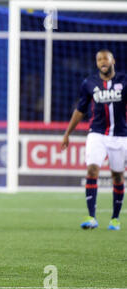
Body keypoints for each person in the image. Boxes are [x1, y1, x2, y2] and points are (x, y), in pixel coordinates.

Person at [61, 49, 126, 231]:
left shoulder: (124, 81)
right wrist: (67, 133)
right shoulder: (89, 83)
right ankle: (91, 217)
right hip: (97, 134)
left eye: (105, 58)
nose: (102, 61)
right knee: (92, 170)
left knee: (118, 176)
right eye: (99, 59)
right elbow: (80, 110)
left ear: (113, 60)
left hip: (120, 136)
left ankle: (115, 219)